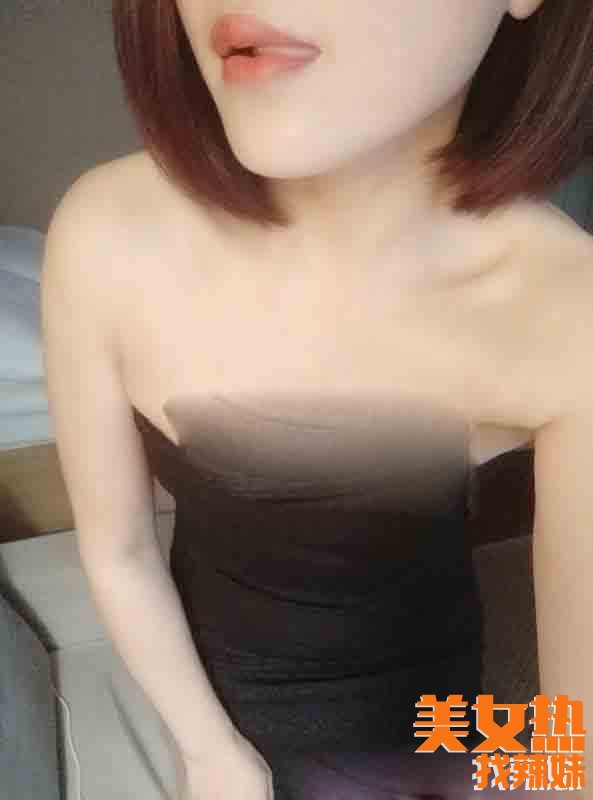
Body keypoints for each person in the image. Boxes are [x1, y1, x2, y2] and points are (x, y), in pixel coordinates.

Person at [40, 1, 593, 797]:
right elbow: (119, 551)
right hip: (206, 704)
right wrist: (209, 752)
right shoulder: (106, 230)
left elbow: (574, 748)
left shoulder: (568, 311)